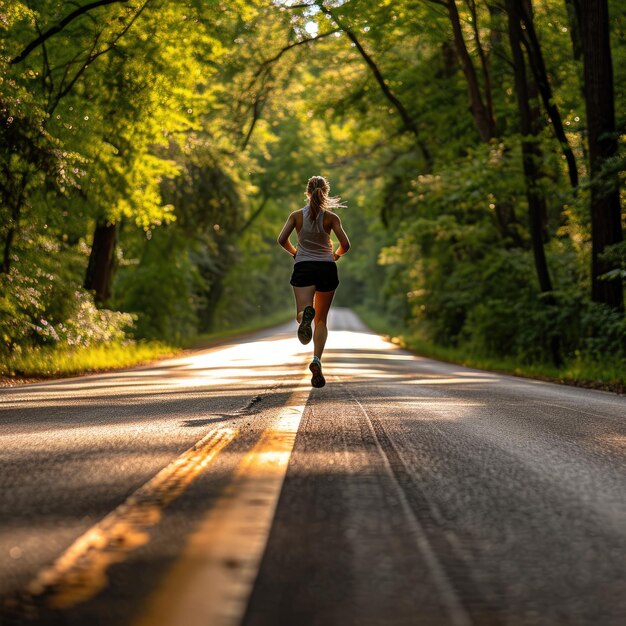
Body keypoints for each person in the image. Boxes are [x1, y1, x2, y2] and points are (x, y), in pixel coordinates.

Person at [277, 175, 350, 388]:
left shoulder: (296, 216)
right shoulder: (331, 218)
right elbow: (345, 244)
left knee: (303, 313)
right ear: (324, 194)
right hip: (327, 268)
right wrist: (335, 255)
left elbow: (282, 240)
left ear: (307, 193)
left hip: (304, 267)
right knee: (322, 320)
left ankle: (304, 315)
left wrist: (295, 253)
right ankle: (317, 359)